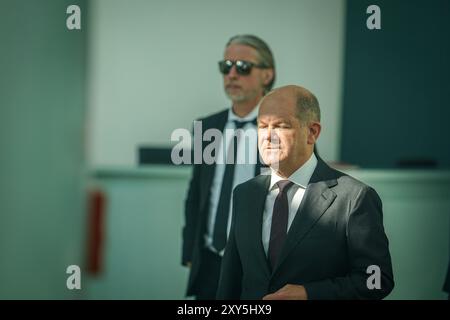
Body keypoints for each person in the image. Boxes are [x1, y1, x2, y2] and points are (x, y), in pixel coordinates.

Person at [216, 85, 394, 300]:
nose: (268, 136)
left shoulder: (355, 198)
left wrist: (310, 294)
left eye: (281, 126)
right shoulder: (245, 194)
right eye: (262, 126)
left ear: (312, 132)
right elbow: (230, 280)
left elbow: (376, 280)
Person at [182, 35, 276, 299]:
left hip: (260, 265)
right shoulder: (208, 127)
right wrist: (190, 250)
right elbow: (196, 194)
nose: (232, 74)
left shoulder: (286, 128)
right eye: (226, 66)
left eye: (243, 67)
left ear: (267, 75)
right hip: (210, 263)